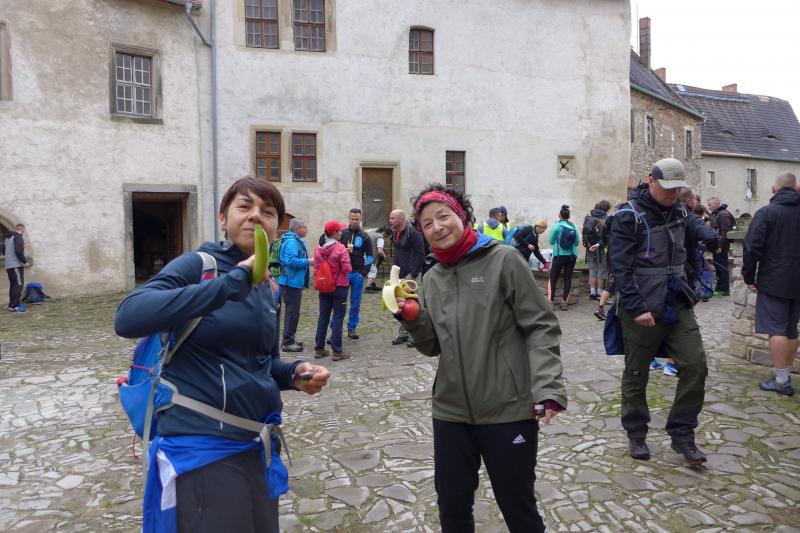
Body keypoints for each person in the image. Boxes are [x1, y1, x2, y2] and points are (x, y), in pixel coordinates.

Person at [114, 177, 330, 533]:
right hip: (200, 448)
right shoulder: (197, 266)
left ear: (276, 227)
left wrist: (293, 374)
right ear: (222, 218)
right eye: (245, 206)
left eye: (268, 212)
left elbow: (262, 362)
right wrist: (230, 283)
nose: (256, 216)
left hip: (255, 445)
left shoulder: (268, 287)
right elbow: (128, 317)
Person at [395, 183, 566, 533]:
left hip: (508, 409)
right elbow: (432, 345)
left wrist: (548, 386)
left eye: (443, 216)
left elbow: (541, 325)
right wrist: (412, 318)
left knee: (518, 507)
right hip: (451, 411)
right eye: (427, 224)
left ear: (461, 215)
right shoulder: (433, 277)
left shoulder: (504, 260)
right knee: (452, 507)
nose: (437, 227)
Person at [609, 158, 718, 465]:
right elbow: (620, 267)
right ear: (651, 181)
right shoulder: (627, 216)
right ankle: (636, 432)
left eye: (677, 189)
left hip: (676, 303)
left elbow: (692, 243)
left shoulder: (680, 211)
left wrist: (709, 237)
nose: (673, 194)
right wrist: (636, 307)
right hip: (642, 307)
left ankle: (682, 433)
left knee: (695, 365)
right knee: (636, 371)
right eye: (668, 188)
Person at [743, 172, 800, 396]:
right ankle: (784, 374)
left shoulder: (766, 213)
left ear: (774, 190)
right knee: (791, 329)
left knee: (777, 328)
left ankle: (781, 380)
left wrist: (749, 276)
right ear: (795, 189)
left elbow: (752, 247)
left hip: (774, 279)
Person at [314, 221, 352, 360]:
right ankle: (337, 351)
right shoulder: (340, 248)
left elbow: (316, 270)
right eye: (340, 231)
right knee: (338, 318)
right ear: (335, 233)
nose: (341, 233)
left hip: (324, 286)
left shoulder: (318, 249)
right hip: (339, 286)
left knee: (323, 317)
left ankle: (319, 349)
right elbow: (347, 269)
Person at [388, 209, 426, 345]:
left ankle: (415, 335)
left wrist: (413, 274)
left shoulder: (413, 233)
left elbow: (421, 253)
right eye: (390, 218)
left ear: (401, 219)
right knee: (401, 303)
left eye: (392, 218)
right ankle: (404, 333)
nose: (390, 221)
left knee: (413, 303)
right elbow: (398, 254)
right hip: (400, 274)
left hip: (411, 274)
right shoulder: (395, 233)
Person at [338, 208, 373, 339]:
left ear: (360, 219)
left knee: (355, 303)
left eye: (357, 219)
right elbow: (334, 251)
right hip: (343, 273)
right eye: (352, 219)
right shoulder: (342, 234)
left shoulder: (365, 236)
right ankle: (335, 329)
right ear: (349, 218)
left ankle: (352, 328)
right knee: (339, 303)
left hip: (357, 274)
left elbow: (370, 256)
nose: (354, 221)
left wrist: (363, 273)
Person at [278, 218, 310, 352]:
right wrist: (309, 261)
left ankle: (289, 338)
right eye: (304, 227)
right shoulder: (292, 242)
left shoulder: (294, 240)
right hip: (290, 282)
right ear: (297, 229)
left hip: (293, 282)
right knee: (292, 312)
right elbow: (291, 261)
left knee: (293, 312)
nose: (306, 229)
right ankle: (287, 342)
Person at [548, 205, 580, 311]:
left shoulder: (557, 226)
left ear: (559, 215)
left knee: (553, 278)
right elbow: (577, 243)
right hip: (571, 256)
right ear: (569, 216)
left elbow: (551, 241)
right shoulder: (573, 226)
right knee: (567, 278)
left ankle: (550, 302)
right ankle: (564, 303)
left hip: (559, 255)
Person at [583, 201, 611, 301]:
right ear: (606, 209)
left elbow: (585, 232)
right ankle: (599, 293)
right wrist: (599, 244)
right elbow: (608, 235)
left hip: (590, 247)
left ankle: (592, 293)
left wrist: (589, 245)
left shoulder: (588, 216)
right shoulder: (606, 218)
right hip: (601, 247)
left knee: (592, 269)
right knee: (602, 270)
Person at [708, 196, 736, 296]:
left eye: (710, 205)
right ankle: (720, 287)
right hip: (717, 246)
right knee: (718, 266)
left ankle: (724, 289)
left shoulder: (723, 214)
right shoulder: (718, 214)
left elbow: (724, 232)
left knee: (722, 267)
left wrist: (720, 246)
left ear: (716, 204)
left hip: (721, 247)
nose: (709, 207)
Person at [5, 223, 30, 312]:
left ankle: (11, 305)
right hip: (15, 265)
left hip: (9, 265)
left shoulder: (8, 238)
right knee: (18, 285)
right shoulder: (18, 237)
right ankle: (15, 306)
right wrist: (25, 261)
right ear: (22, 230)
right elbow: (18, 251)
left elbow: (5, 251)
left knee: (13, 286)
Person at [365, 226, 390, 292]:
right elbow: (380, 251)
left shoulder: (369, 232)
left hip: (365, 254)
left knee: (373, 269)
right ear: (384, 232)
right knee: (372, 270)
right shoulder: (380, 237)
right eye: (387, 235)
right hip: (372, 256)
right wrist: (385, 256)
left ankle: (373, 285)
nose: (386, 237)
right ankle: (368, 286)